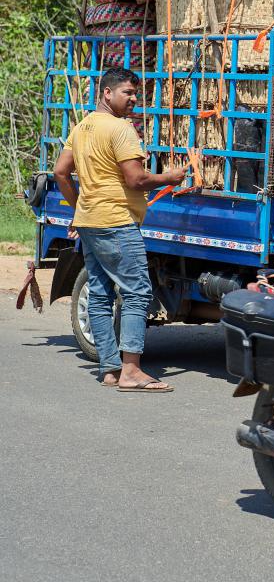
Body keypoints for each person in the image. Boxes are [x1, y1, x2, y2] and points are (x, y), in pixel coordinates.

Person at [54, 68, 186, 392]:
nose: (133, 100)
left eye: (135, 94)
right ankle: (131, 371)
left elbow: (60, 172)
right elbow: (135, 179)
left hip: (90, 221)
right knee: (138, 292)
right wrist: (168, 178)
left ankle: (109, 367)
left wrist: (78, 207)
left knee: (99, 294)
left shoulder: (82, 126)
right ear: (107, 94)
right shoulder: (121, 129)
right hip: (116, 222)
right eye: (127, 93)